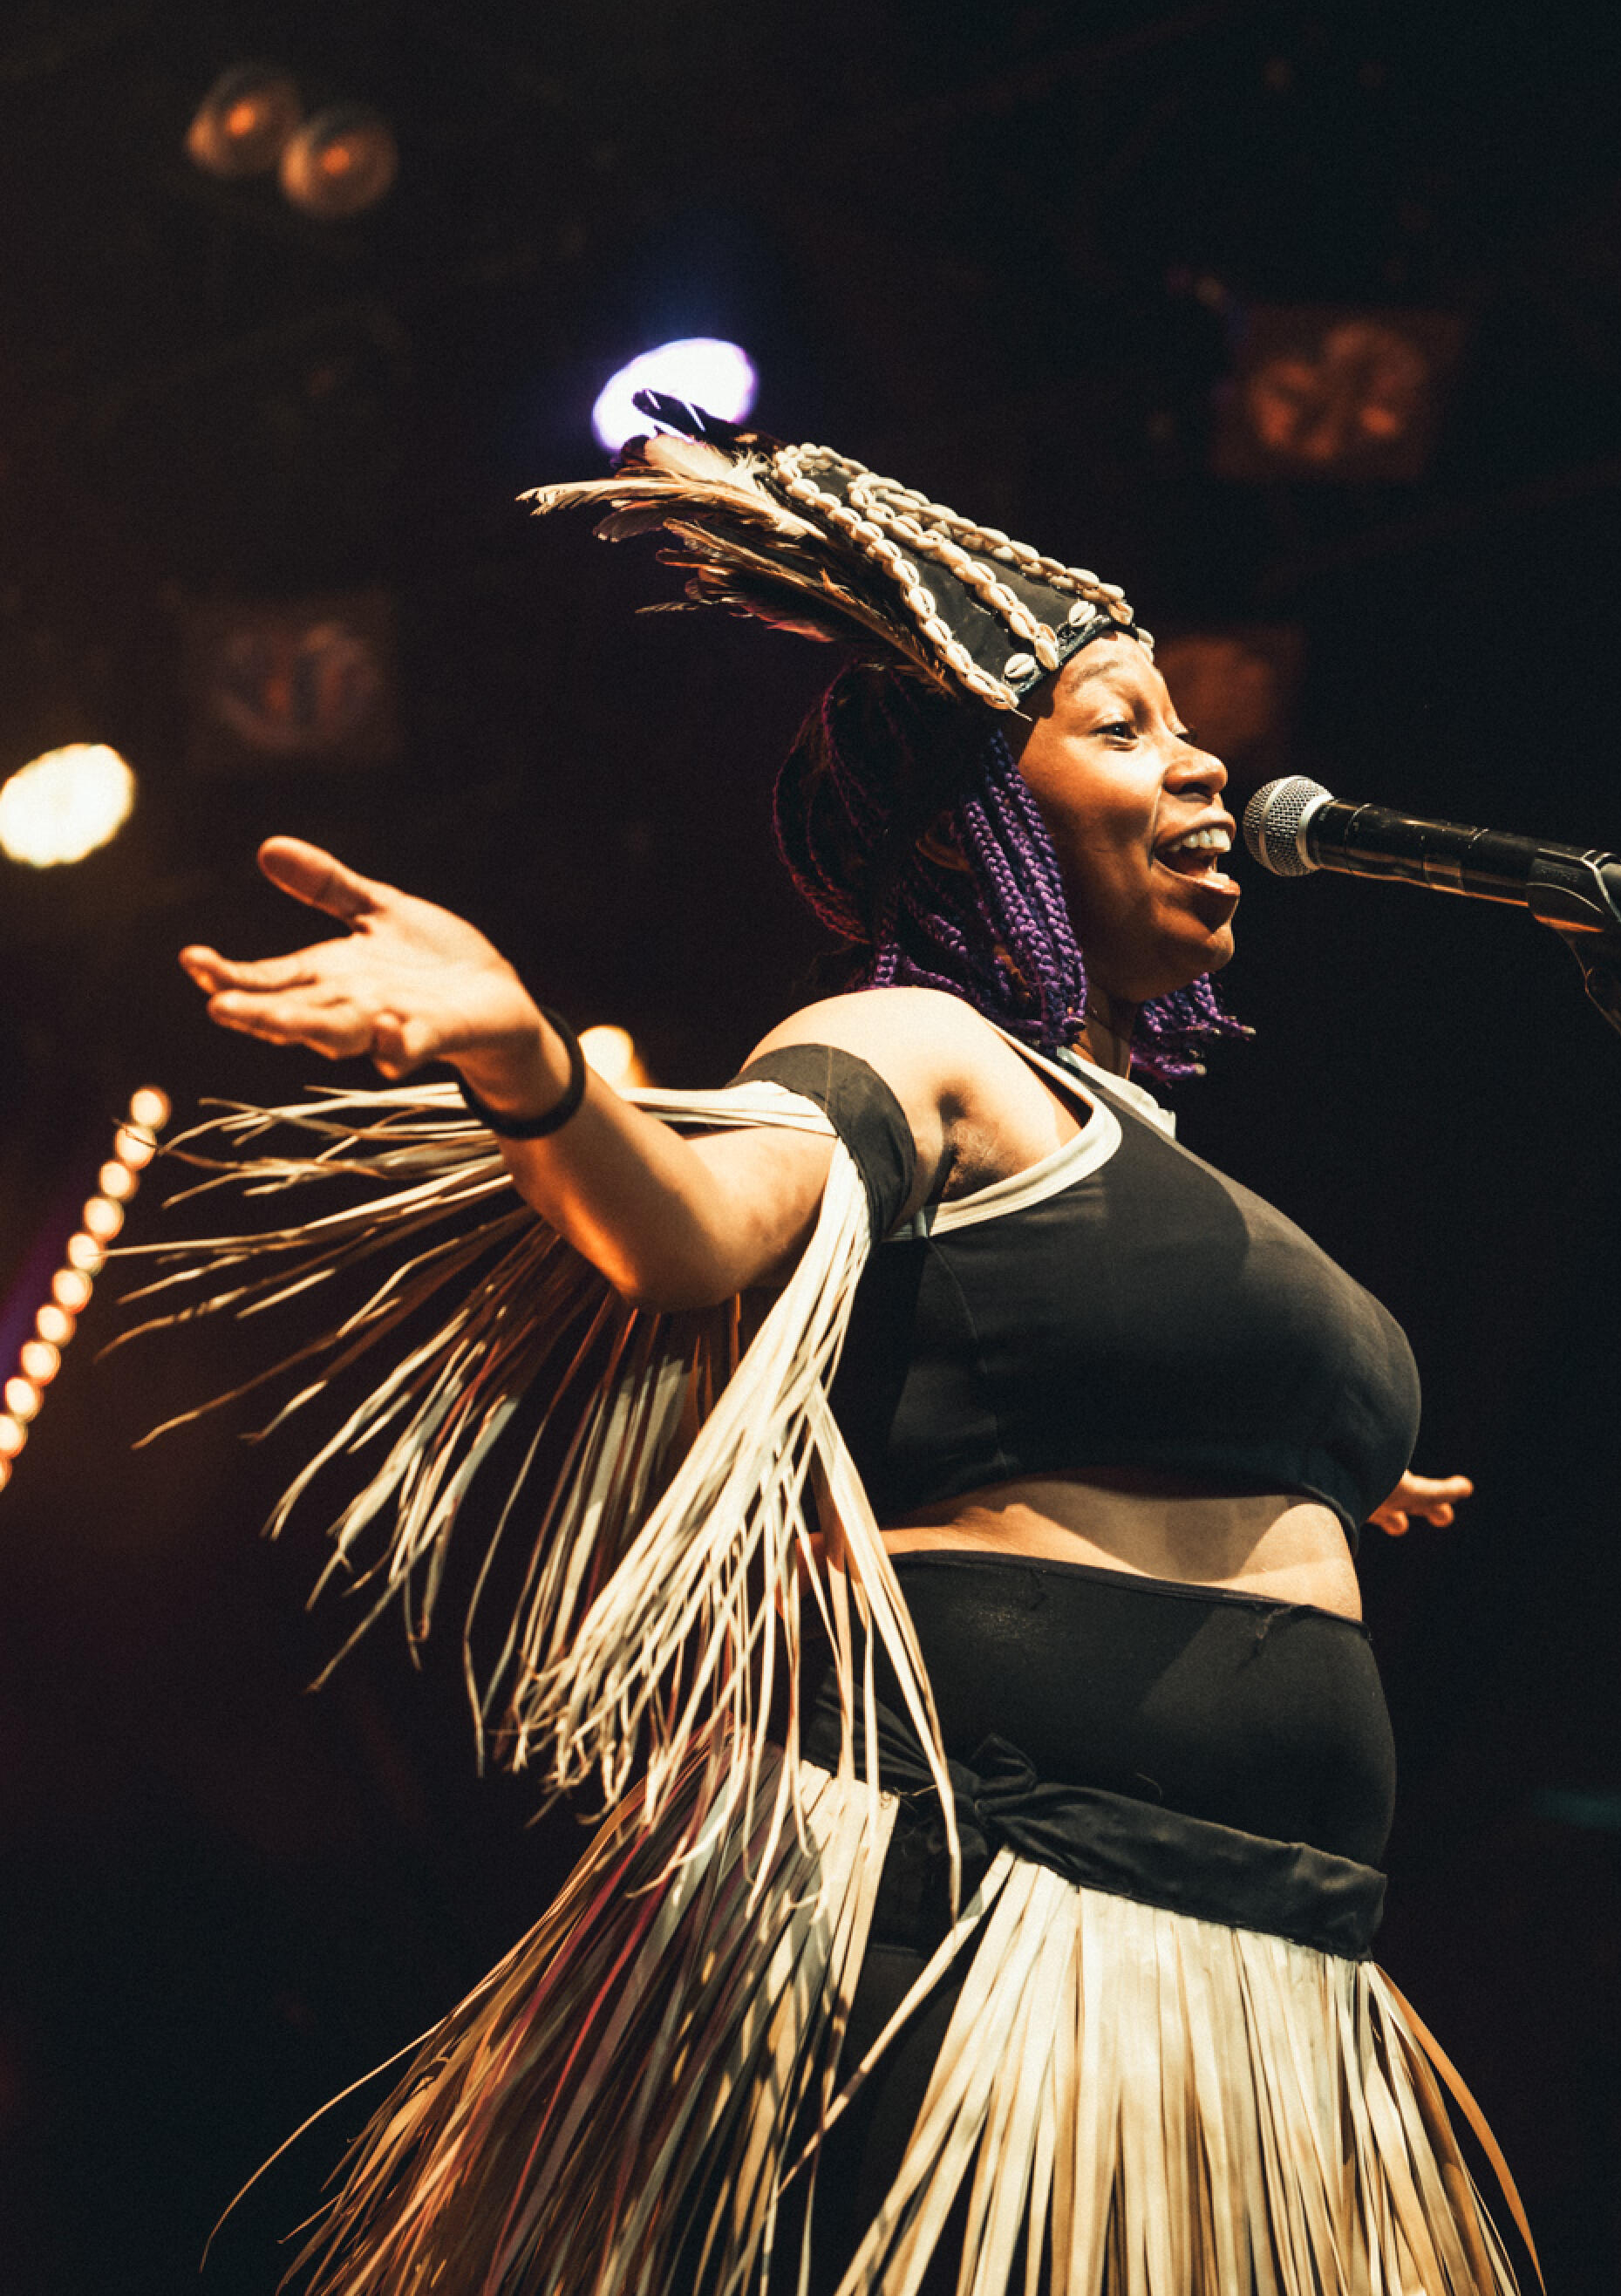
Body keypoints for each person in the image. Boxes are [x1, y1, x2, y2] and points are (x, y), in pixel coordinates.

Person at [138, 399, 1530, 2294]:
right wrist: (524, 1059)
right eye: (1121, 727)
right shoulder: (910, 1045)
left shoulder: (1158, 1167)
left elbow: (1084, 1366)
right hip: (996, 1898)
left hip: (1263, 1951)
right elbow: (690, 1229)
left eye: (1184, 726)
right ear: (978, 813)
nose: (1203, 760)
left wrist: (1327, 1459)